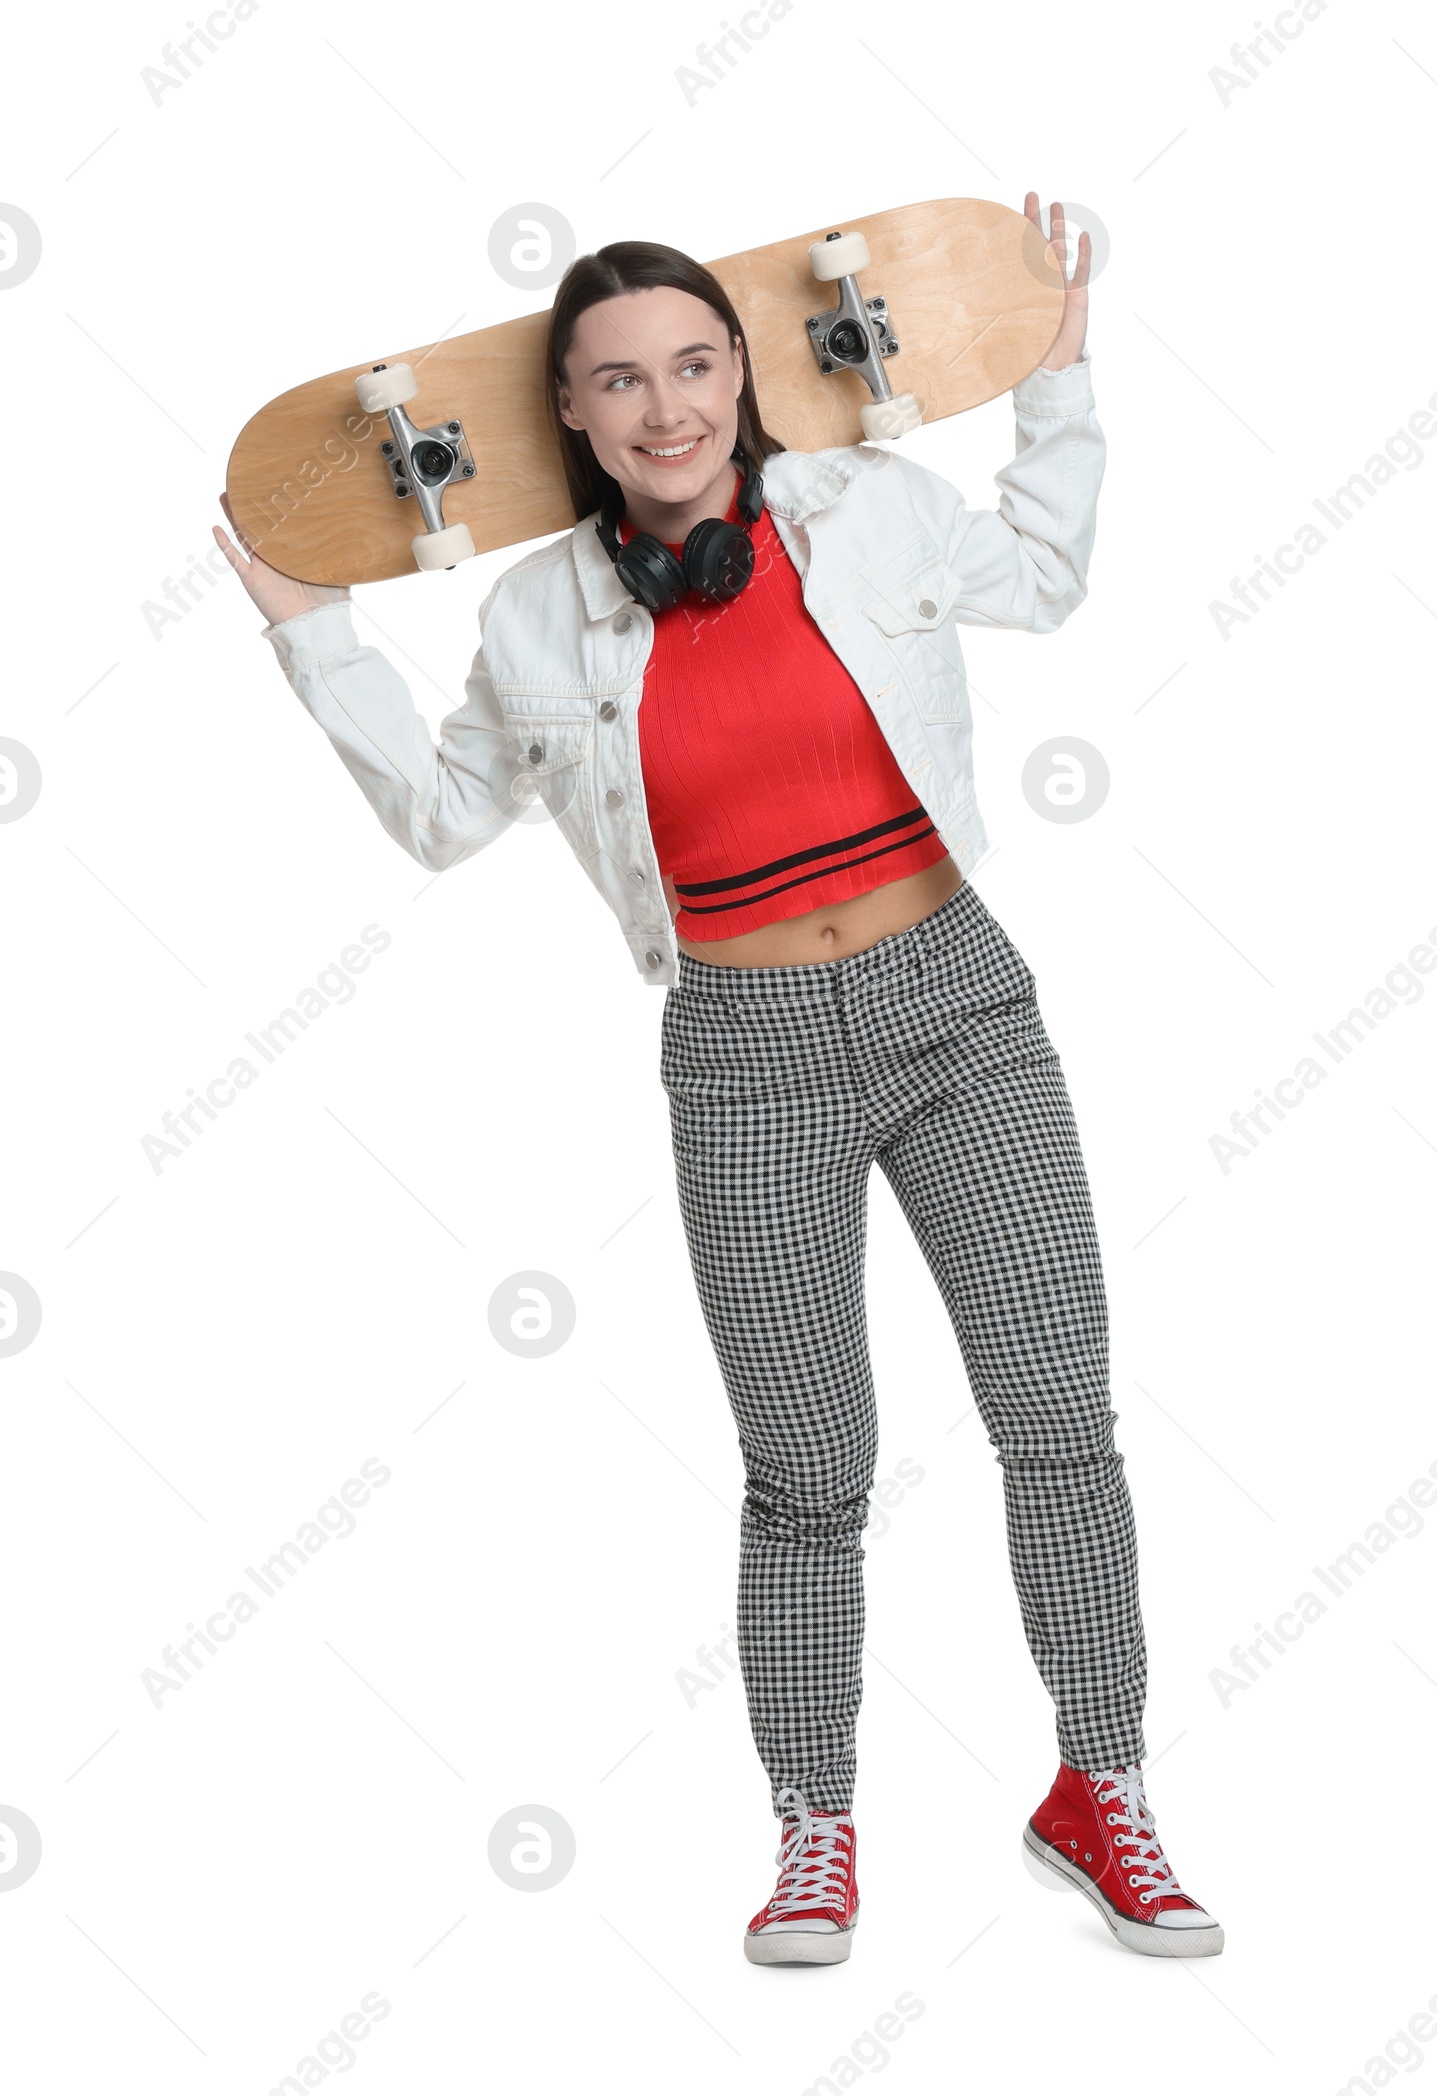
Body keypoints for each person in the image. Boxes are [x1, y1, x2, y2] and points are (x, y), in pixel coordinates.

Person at [214, 192, 1222, 1966]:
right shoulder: (538, 620)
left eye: (693, 363)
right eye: (620, 382)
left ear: (744, 371)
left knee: (1059, 1420)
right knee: (810, 1463)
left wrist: (1059, 379)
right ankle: (816, 1828)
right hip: (744, 1050)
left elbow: (1048, 582)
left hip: (957, 1006)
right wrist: (313, 632)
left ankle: (1100, 1789)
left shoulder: (873, 507)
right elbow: (447, 822)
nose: (666, 407)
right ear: (575, 421)